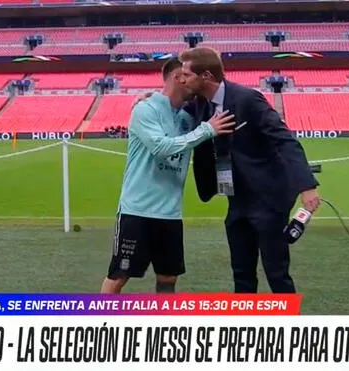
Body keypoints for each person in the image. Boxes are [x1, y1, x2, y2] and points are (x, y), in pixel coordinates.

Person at [178, 46, 321, 293]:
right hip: (237, 201)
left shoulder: (247, 99)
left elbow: (284, 140)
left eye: (187, 74)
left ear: (207, 76)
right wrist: (149, 99)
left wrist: (306, 186)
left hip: (267, 199)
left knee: (276, 273)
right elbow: (172, 106)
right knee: (241, 274)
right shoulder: (201, 104)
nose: (182, 79)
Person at [100, 57, 235, 294]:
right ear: (178, 77)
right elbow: (161, 147)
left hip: (170, 214)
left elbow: (220, 93)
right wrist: (206, 130)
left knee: (168, 278)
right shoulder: (145, 109)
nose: (194, 85)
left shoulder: (188, 116)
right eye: (189, 78)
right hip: (137, 211)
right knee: (118, 276)